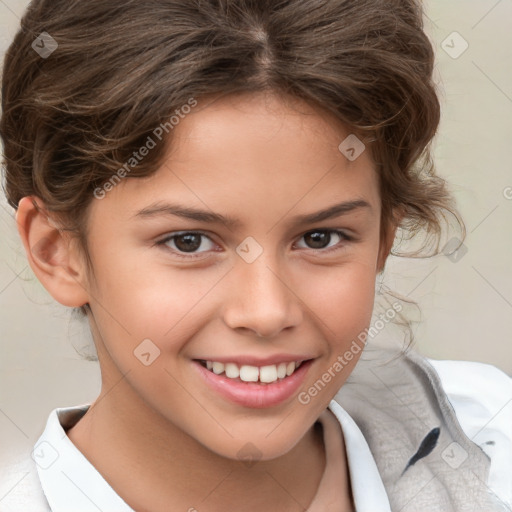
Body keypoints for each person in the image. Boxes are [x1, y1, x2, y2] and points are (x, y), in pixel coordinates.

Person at [1, 0, 511, 511]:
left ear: (383, 238)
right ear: (58, 252)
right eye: (189, 242)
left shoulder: (487, 434)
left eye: (320, 238)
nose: (267, 312)